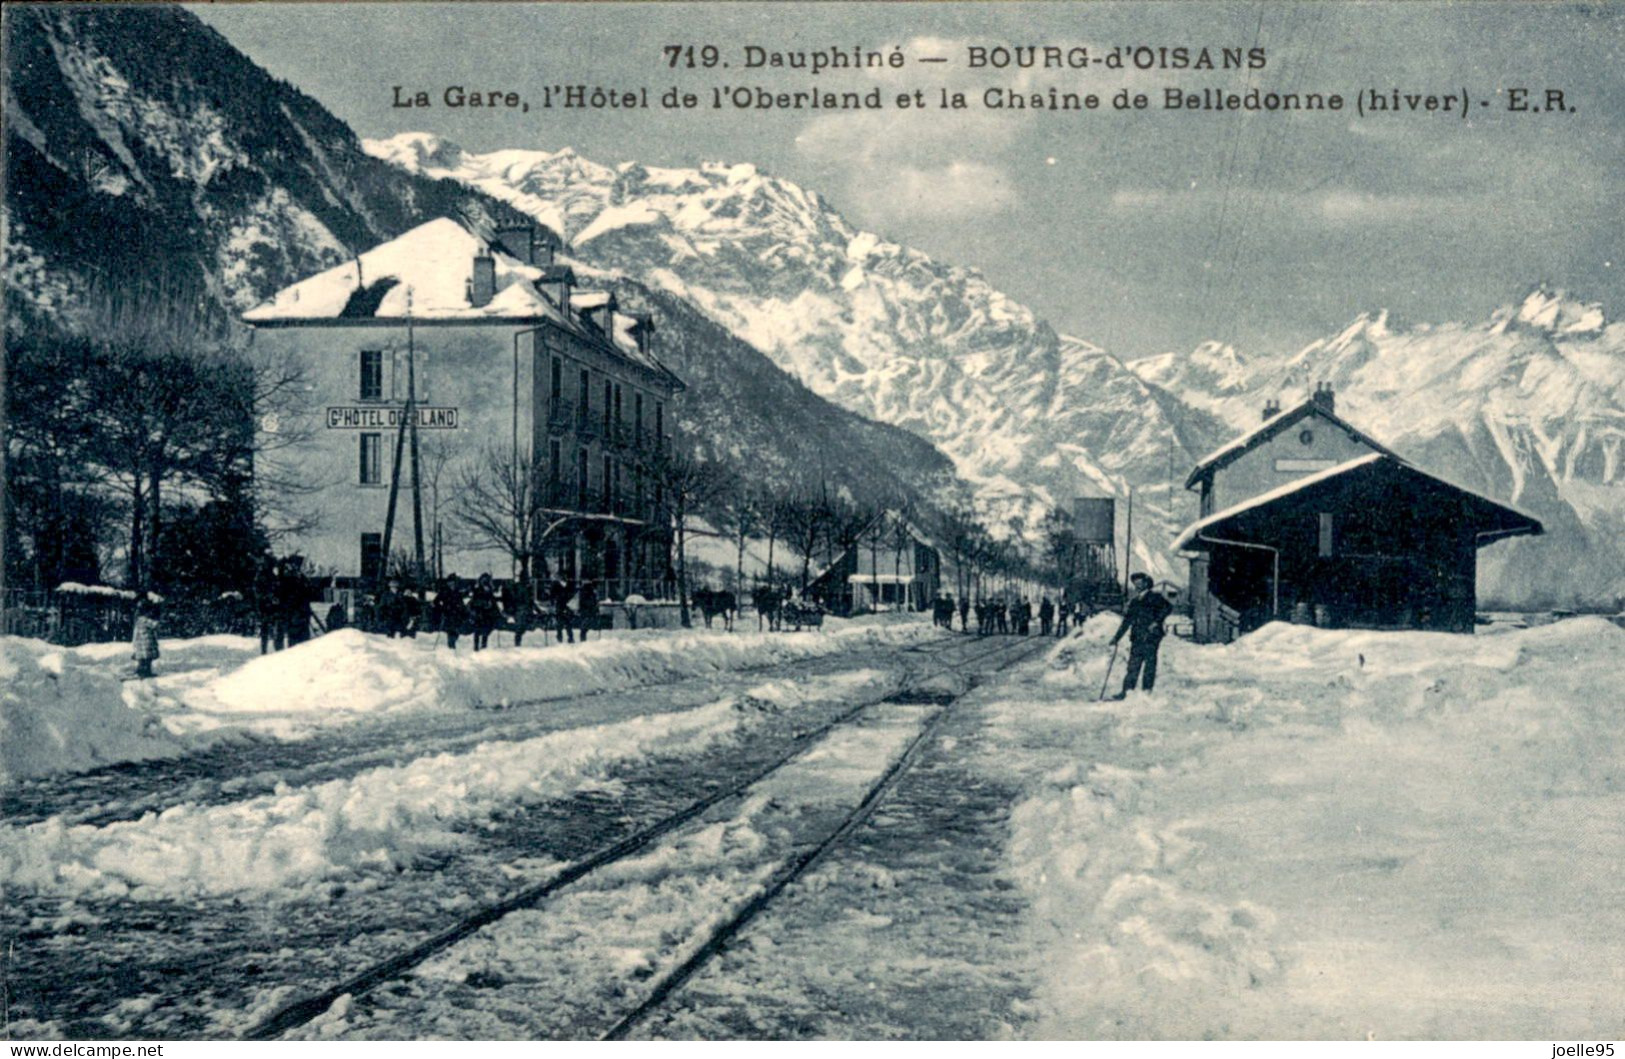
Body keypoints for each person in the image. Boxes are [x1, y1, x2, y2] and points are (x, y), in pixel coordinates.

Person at [1109, 572, 1172, 698]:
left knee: (1149, 665)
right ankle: (1126, 692)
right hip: (1137, 637)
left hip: (1151, 637)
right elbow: (1127, 622)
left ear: (1146, 583)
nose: (1137, 586)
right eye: (1135, 583)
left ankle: (1146, 692)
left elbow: (1168, 607)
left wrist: (1156, 622)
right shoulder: (1135, 602)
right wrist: (1116, 638)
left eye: (1140, 583)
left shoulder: (1155, 597)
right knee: (1133, 666)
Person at [253, 554, 281, 654]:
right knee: (265, 629)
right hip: (264, 606)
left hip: (272, 606)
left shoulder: (272, 576)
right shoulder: (261, 575)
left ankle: (277, 650)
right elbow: (257, 591)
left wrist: (275, 598)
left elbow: (277, 589)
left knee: (275, 630)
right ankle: (264, 651)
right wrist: (268, 597)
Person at [432, 575, 468, 650]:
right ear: (447, 583)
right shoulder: (444, 591)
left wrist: (463, 611)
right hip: (448, 614)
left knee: (457, 631)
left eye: (452, 583)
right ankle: (451, 646)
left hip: (457, 614)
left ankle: (453, 643)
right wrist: (442, 608)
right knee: (450, 630)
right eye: (449, 583)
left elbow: (461, 603)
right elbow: (435, 602)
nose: (451, 584)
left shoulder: (457, 592)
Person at [468, 573, 500, 651]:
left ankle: (483, 647)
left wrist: (497, 611)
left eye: (486, 580)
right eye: (483, 580)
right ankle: (475, 648)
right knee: (477, 631)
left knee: (485, 630)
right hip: (478, 613)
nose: (485, 582)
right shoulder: (477, 590)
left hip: (487, 614)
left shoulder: (490, 591)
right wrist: (482, 604)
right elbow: (473, 601)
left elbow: (493, 602)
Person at [130, 598, 161, 679]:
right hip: (146, 643)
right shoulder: (144, 620)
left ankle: (142, 671)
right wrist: (158, 621)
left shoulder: (138, 620)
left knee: (143, 659)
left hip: (141, 643)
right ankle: (144, 672)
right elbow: (155, 625)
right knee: (147, 659)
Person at [501, 578, 534, 647]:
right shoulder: (521, 588)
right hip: (521, 610)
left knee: (521, 628)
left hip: (522, 610)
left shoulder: (522, 588)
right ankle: (517, 644)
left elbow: (529, 601)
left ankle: (518, 643)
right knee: (520, 628)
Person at [550, 577, 575, 643]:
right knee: (563, 624)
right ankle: (564, 638)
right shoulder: (558, 587)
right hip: (561, 607)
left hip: (563, 607)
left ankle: (568, 638)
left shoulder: (566, 587)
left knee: (565, 624)